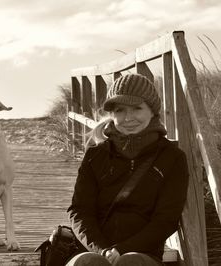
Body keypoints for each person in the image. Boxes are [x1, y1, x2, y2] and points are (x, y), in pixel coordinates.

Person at [66, 73, 189, 266]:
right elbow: (80, 211)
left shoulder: (172, 157)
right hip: (95, 249)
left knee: (130, 262)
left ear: (152, 111)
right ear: (112, 115)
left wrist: (122, 250)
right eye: (120, 110)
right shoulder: (95, 156)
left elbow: (166, 219)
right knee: (86, 262)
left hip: (144, 254)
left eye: (137, 108)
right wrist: (103, 250)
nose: (128, 118)